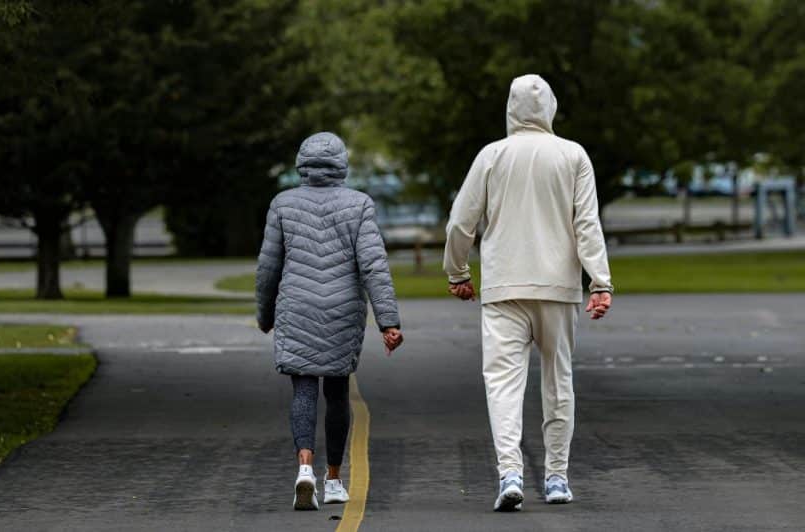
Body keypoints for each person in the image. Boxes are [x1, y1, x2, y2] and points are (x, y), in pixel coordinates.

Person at [443, 74, 613, 512]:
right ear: (550, 107)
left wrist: (457, 272)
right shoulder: (573, 155)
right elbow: (586, 223)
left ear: (510, 109)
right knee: (559, 381)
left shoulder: (492, 156)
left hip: (504, 287)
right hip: (558, 287)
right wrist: (599, 281)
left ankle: (510, 474)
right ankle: (556, 477)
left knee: (502, 384)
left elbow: (461, 222)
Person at [256, 131, 404, 511]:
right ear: (341, 164)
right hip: (342, 310)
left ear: (302, 164)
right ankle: (334, 480)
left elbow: (268, 267)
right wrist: (388, 321)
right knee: (337, 393)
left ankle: (304, 468)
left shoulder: (282, 204)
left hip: (297, 307)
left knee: (303, 391)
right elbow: (373, 265)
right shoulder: (359, 204)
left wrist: (265, 314)